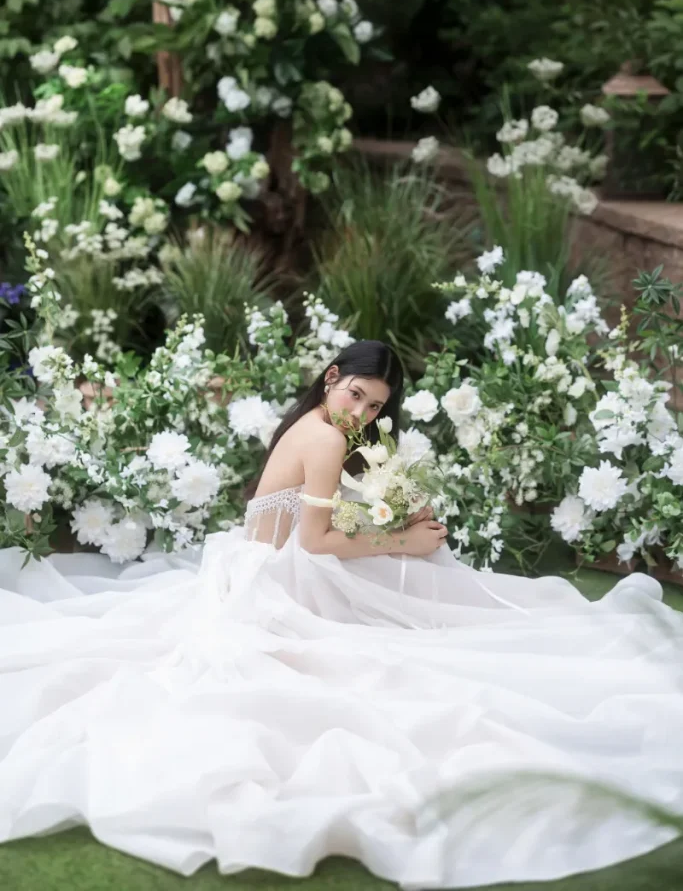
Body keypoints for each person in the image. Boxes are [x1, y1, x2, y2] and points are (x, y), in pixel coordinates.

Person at [1, 339, 683, 890]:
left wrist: (388, 515)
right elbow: (318, 542)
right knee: (403, 637)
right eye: (355, 394)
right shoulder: (326, 438)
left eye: (374, 406)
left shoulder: (314, 426)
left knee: (412, 584)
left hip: (254, 568)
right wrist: (403, 539)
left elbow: (324, 519)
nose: (360, 412)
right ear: (332, 378)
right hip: (275, 585)